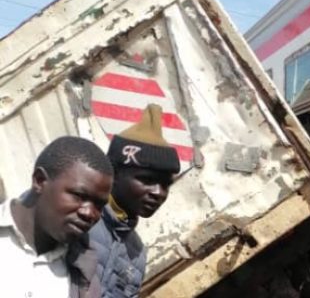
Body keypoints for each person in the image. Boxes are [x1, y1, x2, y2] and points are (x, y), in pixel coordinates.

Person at [70, 103, 180, 298]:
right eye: (147, 180)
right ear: (114, 173)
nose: (158, 193)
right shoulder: (73, 217)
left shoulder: (137, 254)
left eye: (165, 185)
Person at [0, 136, 113, 298]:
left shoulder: (83, 274)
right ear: (40, 181)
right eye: (79, 195)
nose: (90, 213)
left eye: (99, 205)